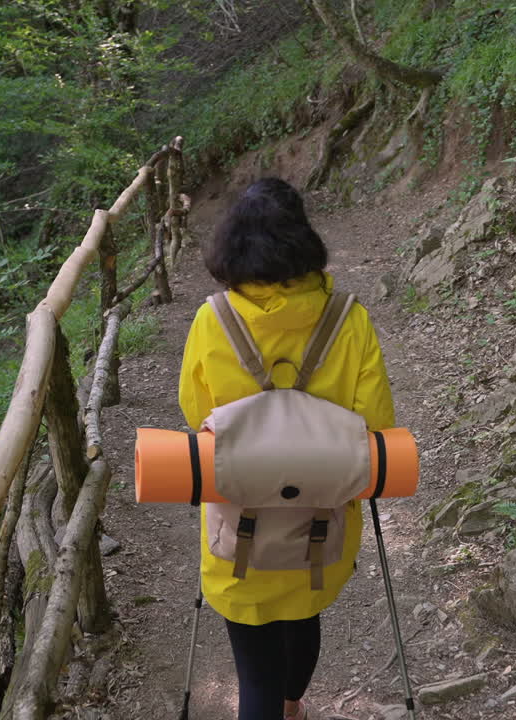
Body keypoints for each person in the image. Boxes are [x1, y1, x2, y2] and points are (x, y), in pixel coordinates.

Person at [178, 177, 396, 720]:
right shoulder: (349, 318)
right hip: (321, 519)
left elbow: (193, 412)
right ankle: (293, 706)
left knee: (254, 671)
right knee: (303, 614)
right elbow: (376, 424)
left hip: (237, 524)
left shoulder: (213, 319)